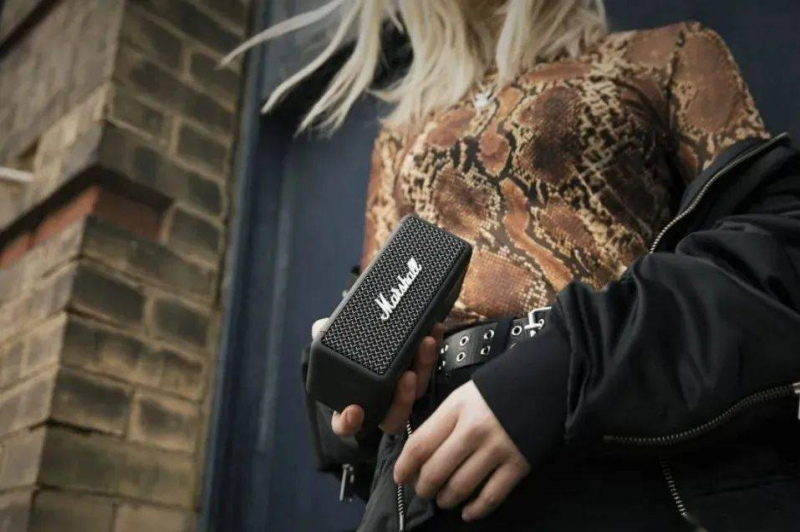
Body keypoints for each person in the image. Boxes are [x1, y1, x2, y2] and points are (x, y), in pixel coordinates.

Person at [228, 1, 800, 530]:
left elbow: (770, 258)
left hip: (613, 443)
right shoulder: (401, 133)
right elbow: (368, 337)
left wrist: (559, 369)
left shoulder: (668, 53)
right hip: (427, 476)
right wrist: (354, 394)